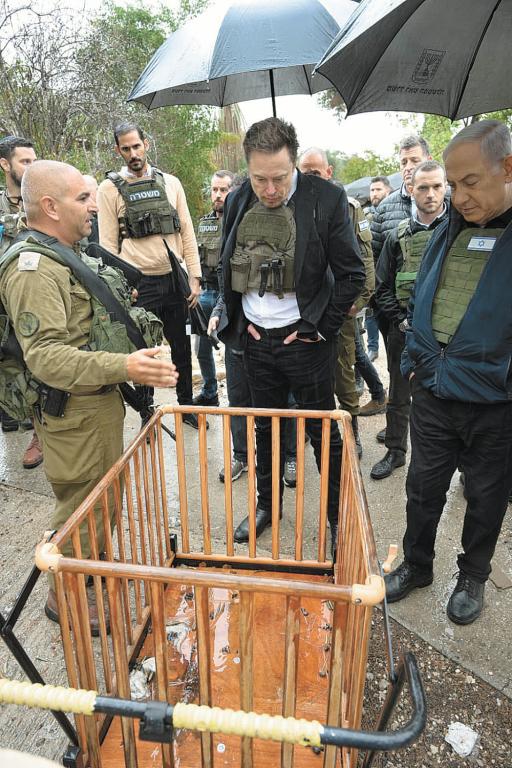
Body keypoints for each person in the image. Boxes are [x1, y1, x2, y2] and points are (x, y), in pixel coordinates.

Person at [0, 160, 177, 630]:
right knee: (83, 507)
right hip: (73, 413)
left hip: (93, 404)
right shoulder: (32, 269)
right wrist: (126, 365)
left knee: (100, 503)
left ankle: (89, 577)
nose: (92, 207)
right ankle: (69, 596)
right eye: (82, 198)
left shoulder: (63, 251)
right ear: (49, 206)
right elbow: (46, 358)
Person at [209, 118, 364, 549]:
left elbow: (352, 275)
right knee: (265, 428)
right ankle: (266, 506)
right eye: (261, 178)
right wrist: (238, 322)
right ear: (248, 170)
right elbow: (226, 263)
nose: (270, 189)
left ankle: (336, 518)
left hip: (307, 343)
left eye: (279, 178)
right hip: (257, 340)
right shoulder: (239, 196)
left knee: (322, 432)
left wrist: (318, 329)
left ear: (294, 164)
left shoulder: (327, 200)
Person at [385, 120, 512, 625]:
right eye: (453, 185)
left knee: (485, 498)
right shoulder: (446, 233)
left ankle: (473, 575)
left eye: (470, 183)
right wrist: (413, 362)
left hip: (494, 405)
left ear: (508, 169)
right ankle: (417, 566)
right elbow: (420, 300)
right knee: (422, 486)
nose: (458, 197)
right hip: (435, 393)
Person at [97, 122, 202, 428]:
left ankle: (186, 407)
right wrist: (120, 288)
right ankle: (148, 413)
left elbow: (187, 233)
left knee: (181, 349)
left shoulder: (171, 183)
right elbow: (107, 245)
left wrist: (193, 276)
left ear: (146, 144)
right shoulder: (109, 188)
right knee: (145, 351)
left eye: (137, 146)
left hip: (173, 279)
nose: (133, 154)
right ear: (118, 150)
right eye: (126, 148)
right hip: (139, 286)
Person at [371, 161, 448, 480]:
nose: (431, 194)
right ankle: (395, 451)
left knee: (448, 399)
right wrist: (401, 320)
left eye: (437, 186)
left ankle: (451, 462)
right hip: (405, 333)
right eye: (423, 187)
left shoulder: (459, 230)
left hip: (448, 338)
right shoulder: (397, 235)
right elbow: (382, 285)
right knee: (399, 394)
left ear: (446, 188)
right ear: (411, 189)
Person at [297, 146, 375, 458]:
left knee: (344, 369)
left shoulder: (349, 207)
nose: (309, 178)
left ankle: (351, 430)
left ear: (329, 172)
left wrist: (357, 302)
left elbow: (365, 262)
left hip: (339, 306)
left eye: (315, 172)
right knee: (305, 373)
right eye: (303, 172)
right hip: (306, 309)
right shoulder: (294, 207)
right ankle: (313, 429)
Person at [0, 135, 43, 470]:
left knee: (40, 363)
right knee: (12, 367)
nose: (31, 167)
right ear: (5, 164)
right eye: (24, 162)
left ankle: (41, 434)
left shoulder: (40, 201)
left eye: (34, 160)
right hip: (4, 302)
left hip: (37, 297)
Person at [193, 170, 234, 406]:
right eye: (214, 189)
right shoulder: (204, 223)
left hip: (227, 293)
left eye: (223, 190)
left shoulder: (238, 222)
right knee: (201, 349)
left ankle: (236, 397)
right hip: (205, 292)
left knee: (231, 351)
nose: (217, 195)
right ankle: (210, 393)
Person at [365, 175, 392, 360]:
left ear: (388, 191)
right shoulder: (365, 214)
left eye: (378, 189)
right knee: (370, 316)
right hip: (372, 279)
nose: (375, 193)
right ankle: (373, 348)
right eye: (372, 190)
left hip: (390, 282)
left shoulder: (392, 211)